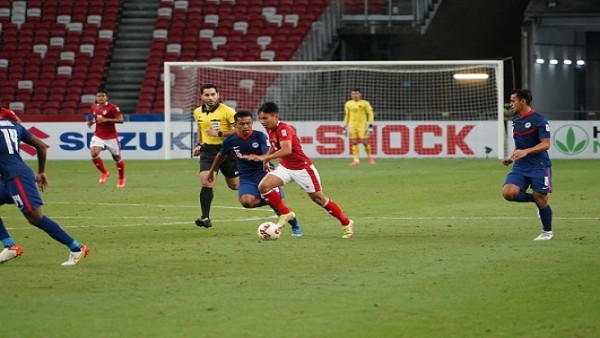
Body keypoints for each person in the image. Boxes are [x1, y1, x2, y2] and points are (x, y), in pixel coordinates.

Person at [243, 102, 354, 239]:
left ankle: (346, 223)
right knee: (264, 186)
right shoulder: (271, 129)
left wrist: (263, 157)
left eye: (265, 118)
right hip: (285, 167)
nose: (262, 121)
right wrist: (266, 161)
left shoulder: (284, 129)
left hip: (303, 169)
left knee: (319, 199)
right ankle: (285, 212)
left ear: (275, 116)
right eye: (261, 118)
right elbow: (274, 145)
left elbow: (286, 149)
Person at [0, 116, 89, 265]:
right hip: (10, 177)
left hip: (17, 178)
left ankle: (77, 248)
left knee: (35, 217)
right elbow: (41, 145)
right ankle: (10, 246)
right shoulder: (13, 125)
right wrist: (41, 171)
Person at [206, 111, 303, 236]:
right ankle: (270, 200)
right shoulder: (230, 140)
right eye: (242, 124)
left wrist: (260, 159)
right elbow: (221, 155)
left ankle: (295, 226)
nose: (246, 126)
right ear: (235, 125)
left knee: (279, 207)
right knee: (247, 202)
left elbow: (267, 154)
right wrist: (212, 171)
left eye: (248, 123)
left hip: (264, 172)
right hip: (246, 176)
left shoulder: (260, 136)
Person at [502, 89, 554, 241]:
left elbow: (546, 144)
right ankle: (538, 201)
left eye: (513, 101)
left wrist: (527, 151)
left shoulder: (540, 120)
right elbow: (519, 145)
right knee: (508, 193)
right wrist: (512, 157)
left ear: (522, 101)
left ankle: (547, 232)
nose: (510, 104)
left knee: (541, 198)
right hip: (520, 166)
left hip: (539, 165)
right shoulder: (516, 121)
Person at [192, 83, 239, 228]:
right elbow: (201, 128)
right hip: (208, 152)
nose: (210, 98)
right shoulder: (197, 112)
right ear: (201, 96)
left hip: (227, 151)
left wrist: (219, 133)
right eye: (207, 95)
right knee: (207, 181)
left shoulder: (228, 111)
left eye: (213, 94)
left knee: (234, 185)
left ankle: (259, 180)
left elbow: (239, 129)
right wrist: (199, 144)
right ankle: (205, 217)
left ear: (218, 95)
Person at [86, 89, 126, 188]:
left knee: (117, 158)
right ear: (96, 98)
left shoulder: (113, 107)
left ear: (106, 97)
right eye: (98, 96)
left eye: (102, 96)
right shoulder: (94, 107)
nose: (100, 98)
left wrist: (106, 119)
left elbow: (121, 120)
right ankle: (104, 173)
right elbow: (97, 117)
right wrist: (93, 122)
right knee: (94, 153)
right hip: (98, 135)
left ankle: (121, 178)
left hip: (111, 137)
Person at [343, 88, 375, 166]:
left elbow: (370, 114)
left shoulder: (365, 103)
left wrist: (370, 125)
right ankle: (356, 160)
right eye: (353, 94)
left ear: (360, 94)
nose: (355, 95)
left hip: (362, 125)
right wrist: (344, 126)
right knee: (354, 142)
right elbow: (347, 115)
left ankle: (369, 157)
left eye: (356, 93)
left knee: (365, 142)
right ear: (351, 95)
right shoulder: (348, 103)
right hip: (352, 125)